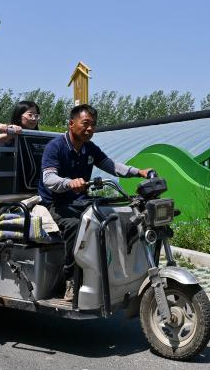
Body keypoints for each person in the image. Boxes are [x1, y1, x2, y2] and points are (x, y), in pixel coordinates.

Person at [39, 104, 149, 301]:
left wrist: (138, 172)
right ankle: (71, 279)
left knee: (113, 217)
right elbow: (48, 178)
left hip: (80, 200)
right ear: (71, 124)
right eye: (85, 123)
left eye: (93, 125)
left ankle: (109, 273)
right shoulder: (55, 146)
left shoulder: (89, 148)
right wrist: (68, 183)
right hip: (56, 202)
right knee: (76, 226)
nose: (90, 129)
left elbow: (111, 166)